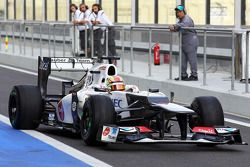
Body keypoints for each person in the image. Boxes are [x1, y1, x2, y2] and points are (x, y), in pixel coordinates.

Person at [169, 5, 199, 81]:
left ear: (184, 12)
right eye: (177, 12)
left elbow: (183, 26)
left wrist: (174, 26)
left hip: (191, 42)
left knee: (192, 59)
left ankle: (194, 75)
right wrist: (174, 29)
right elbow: (179, 28)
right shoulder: (180, 21)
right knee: (182, 60)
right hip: (184, 42)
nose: (178, 13)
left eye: (180, 12)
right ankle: (183, 75)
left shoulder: (187, 19)